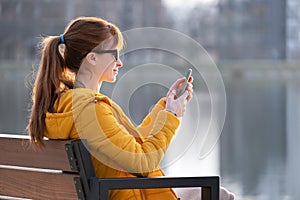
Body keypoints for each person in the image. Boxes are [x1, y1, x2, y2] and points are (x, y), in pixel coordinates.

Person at [27, 16, 234, 200]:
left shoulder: (65, 105)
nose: (119, 62)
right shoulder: (91, 111)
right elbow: (143, 163)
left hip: (118, 192)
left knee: (217, 194)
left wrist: (166, 109)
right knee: (220, 194)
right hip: (128, 195)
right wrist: (171, 117)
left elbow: (132, 147)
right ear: (92, 58)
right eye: (114, 54)